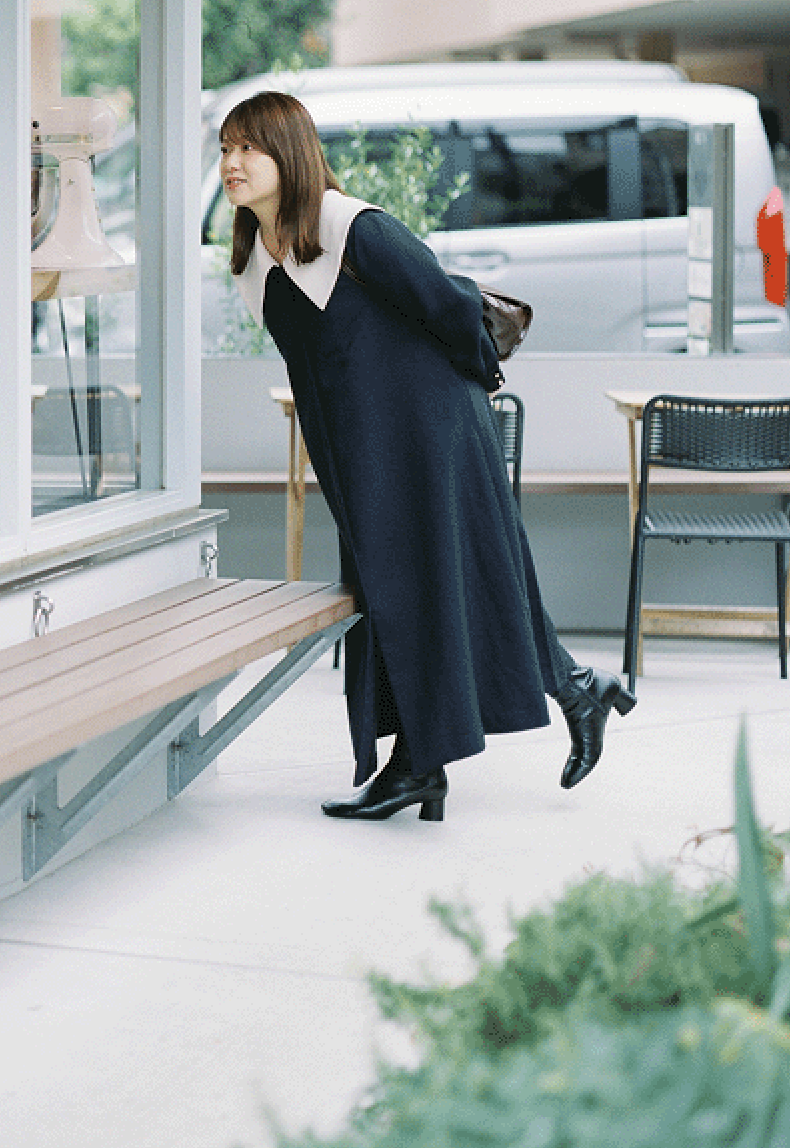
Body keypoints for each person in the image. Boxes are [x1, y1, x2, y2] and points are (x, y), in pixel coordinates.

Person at [219, 89, 634, 821]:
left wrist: (454, 413)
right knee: (404, 589)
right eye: (225, 149)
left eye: (247, 147)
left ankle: (430, 760)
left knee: (443, 578)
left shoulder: (351, 226)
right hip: (356, 448)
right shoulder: (255, 261)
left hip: (426, 428)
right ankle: (518, 716)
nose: (231, 163)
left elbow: (445, 302)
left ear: (288, 151)